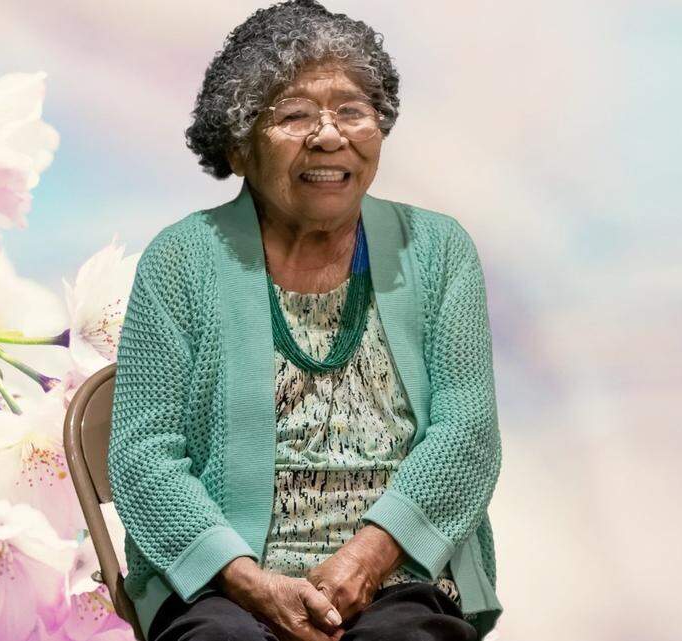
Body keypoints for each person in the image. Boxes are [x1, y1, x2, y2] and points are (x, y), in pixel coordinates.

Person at [107, 1, 503, 639]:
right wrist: (250, 581)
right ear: (238, 146)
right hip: (225, 589)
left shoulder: (437, 249)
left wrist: (366, 559)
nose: (329, 135)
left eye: (352, 110)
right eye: (294, 115)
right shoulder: (181, 261)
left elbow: (469, 433)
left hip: (400, 579)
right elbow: (142, 456)